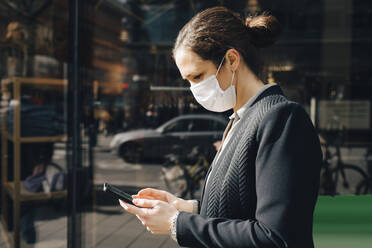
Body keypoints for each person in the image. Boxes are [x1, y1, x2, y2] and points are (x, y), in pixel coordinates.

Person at [119, 6, 322, 248]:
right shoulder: (241, 119)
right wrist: (187, 208)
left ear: (232, 60)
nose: (194, 89)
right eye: (188, 81)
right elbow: (240, 208)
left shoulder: (281, 118)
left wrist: (177, 223)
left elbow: (275, 237)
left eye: (197, 76)